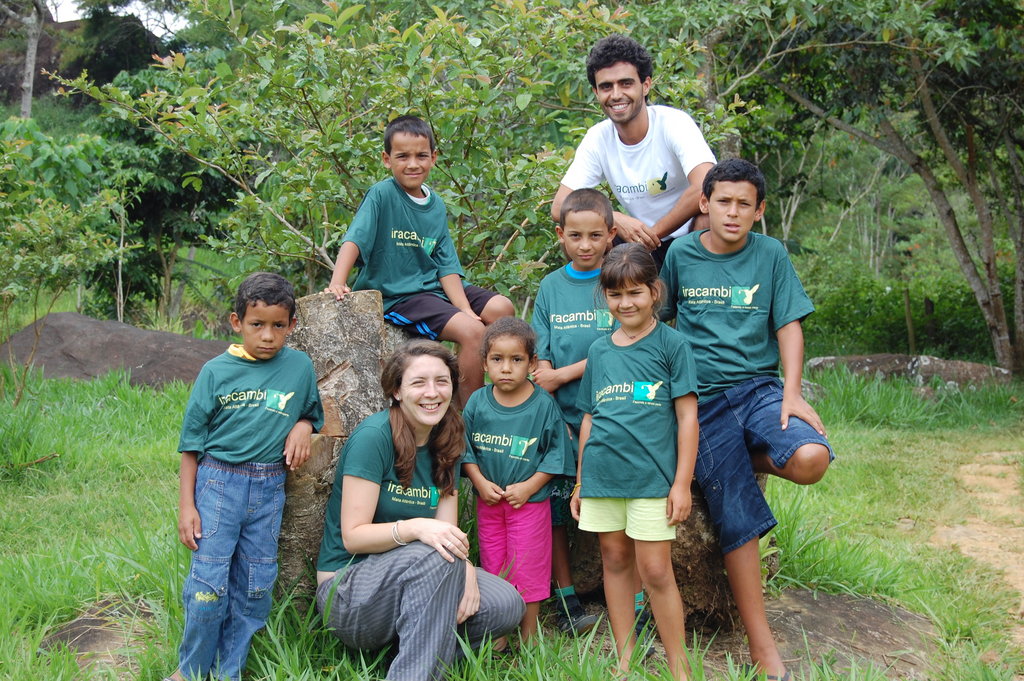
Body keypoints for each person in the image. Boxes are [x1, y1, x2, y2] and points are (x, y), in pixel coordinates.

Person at [660, 158, 834, 681]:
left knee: (811, 458)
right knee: (735, 507)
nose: (732, 212)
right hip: (703, 402)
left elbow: (789, 324)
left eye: (743, 204)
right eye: (722, 202)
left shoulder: (771, 254)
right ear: (704, 205)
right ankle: (763, 649)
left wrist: (794, 393)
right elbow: (657, 323)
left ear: (759, 212)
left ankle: (740, 455)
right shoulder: (681, 254)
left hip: (759, 390)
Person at [315, 340, 525, 681]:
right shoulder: (374, 437)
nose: (432, 392)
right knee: (432, 556)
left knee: (504, 604)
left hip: (421, 575)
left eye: (442, 381)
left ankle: (413, 652)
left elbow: (448, 533)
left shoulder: (449, 438)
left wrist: (466, 570)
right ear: (397, 391)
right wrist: (414, 529)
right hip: (348, 590)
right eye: (418, 382)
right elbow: (353, 537)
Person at [168, 272, 324, 681]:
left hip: (270, 486)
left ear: (292, 325)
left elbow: (311, 411)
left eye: (278, 326)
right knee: (208, 584)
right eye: (257, 325)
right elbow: (191, 445)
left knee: (256, 585)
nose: (268, 336)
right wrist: (187, 505)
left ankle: (229, 671)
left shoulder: (299, 367)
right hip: (219, 484)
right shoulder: (215, 372)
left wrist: (304, 425)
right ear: (236, 322)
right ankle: (190, 671)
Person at [570, 244, 699, 681]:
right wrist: (581, 481)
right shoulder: (600, 350)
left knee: (656, 569)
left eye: (635, 293)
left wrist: (681, 484)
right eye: (615, 295)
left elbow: (687, 417)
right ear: (604, 297)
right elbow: (589, 418)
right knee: (613, 559)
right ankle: (625, 657)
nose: (626, 303)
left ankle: (679, 666)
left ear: (654, 292)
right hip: (603, 475)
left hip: (652, 479)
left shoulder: (672, 344)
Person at [325, 115, 515, 405]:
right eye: (403, 156)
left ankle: (496, 393)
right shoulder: (382, 194)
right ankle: (473, 415)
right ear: (387, 159)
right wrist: (337, 282)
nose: (413, 164)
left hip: (433, 288)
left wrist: (463, 306)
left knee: (502, 308)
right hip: (399, 295)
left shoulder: (435, 204)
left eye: (421, 156)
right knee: (473, 331)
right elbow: (354, 239)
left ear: (434, 157)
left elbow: (445, 265)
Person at [550, 34, 717, 270]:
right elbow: (559, 206)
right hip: (635, 240)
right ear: (596, 93)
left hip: (685, 235)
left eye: (625, 83)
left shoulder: (673, 123)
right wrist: (613, 217)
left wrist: (652, 235)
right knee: (582, 232)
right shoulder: (598, 138)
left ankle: (702, 300)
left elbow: (705, 184)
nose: (616, 94)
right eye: (606, 86)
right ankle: (596, 304)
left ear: (645, 85)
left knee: (710, 217)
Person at [531, 188, 615, 635]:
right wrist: (547, 377)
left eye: (595, 236)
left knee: (610, 505)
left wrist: (561, 375)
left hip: (608, 416)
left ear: (611, 235)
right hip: (559, 418)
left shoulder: (617, 282)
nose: (585, 245)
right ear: (561, 235)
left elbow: (615, 346)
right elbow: (540, 348)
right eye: (576, 235)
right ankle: (565, 599)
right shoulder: (550, 286)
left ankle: (632, 598)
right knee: (556, 508)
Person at [462, 317, 572, 642]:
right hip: (489, 503)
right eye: (497, 359)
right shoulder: (477, 403)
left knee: (529, 569)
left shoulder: (543, 406)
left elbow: (556, 455)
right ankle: (497, 640)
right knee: (494, 568)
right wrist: (479, 483)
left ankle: (527, 640)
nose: (506, 368)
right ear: (484, 363)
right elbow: (463, 450)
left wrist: (529, 487)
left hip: (530, 505)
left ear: (532, 363)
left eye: (516, 360)